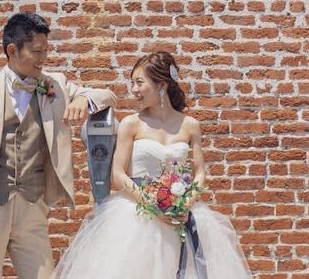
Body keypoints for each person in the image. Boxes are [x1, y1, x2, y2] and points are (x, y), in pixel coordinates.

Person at [0, 11, 116, 279]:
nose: (44, 58)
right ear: (13, 50)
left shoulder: (55, 84)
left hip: (32, 208)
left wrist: (81, 100)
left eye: (46, 51)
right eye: (37, 51)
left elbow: (107, 95)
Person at [53, 51, 251, 279]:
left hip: (180, 212)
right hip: (137, 213)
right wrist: (152, 204)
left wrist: (185, 203)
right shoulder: (131, 124)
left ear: (161, 85)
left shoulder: (190, 125)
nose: (134, 89)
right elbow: (118, 174)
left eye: (139, 82)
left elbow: (199, 172)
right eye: (132, 83)